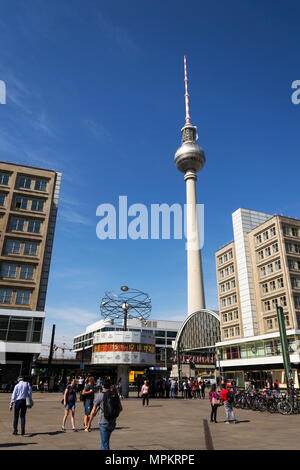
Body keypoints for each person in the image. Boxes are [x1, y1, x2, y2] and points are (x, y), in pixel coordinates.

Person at [89, 379, 122, 450]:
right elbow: (121, 408)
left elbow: (93, 411)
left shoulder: (99, 395)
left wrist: (89, 423)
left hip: (103, 422)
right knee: (104, 443)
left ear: (102, 386)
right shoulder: (114, 394)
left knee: (105, 444)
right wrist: (114, 414)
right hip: (113, 422)